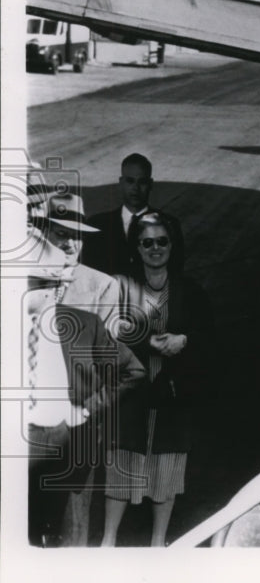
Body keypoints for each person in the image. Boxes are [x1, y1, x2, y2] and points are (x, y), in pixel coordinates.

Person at [22, 225, 146, 547]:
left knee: (69, 537)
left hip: (70, 443)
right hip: (18, 444)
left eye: (42, 285)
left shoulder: (83, 326)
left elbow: (132, 371)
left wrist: (88, 407)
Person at [101, 211, 212, 547]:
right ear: (136, 246)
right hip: (131, 394)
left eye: (162, 241)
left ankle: (157, 543)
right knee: (122, 465)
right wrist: (145, 340)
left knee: (166, 469)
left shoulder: (190, 290)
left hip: (172, 394)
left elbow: (210, 337)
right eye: (146, 242)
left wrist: (185, 341)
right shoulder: (120, 285)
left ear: (172, 244)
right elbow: (108, 328)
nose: (155, 248)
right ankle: (107, 542)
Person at [33, 191, 122, 546]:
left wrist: (86, 411)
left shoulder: (102, 286)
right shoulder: (24, 281)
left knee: (73, 529)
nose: (70, 244)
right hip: (30, 427)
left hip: (78, 429)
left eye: (78, 234)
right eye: (61, 234)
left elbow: (113, 368)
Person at [81, 153, 185, 277]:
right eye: (130, 181)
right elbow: (87, 272)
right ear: (121, 183)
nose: (135, 188)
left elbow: (174, 271)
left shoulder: (169, 225)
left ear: (150, 184)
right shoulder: (97, 225)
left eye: (142, 182)